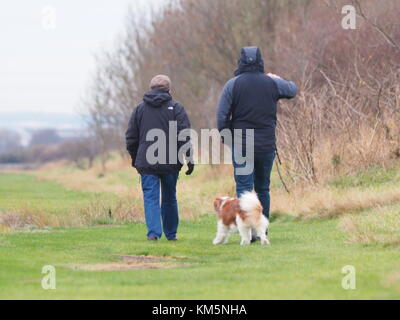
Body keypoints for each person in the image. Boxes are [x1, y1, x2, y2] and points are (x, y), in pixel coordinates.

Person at [217, 46, 297, 234]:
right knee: (263, 188)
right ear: (261, 61)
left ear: (241, 61)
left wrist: (230, 139)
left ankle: (248, 232)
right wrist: (277, 78)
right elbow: (292, 89)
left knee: (244, 189)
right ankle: (262, 231)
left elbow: (221, 119)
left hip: (242, 144)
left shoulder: (233, 84)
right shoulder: (272, 83)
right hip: (266, 145)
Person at [126, 75, 194, 241]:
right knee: (170, 198)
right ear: (169, 90)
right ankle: (171, 235)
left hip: (147, 163)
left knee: (150, 198)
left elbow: (131, 138)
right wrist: (189, 159)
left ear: (151, 89)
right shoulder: (176, 108)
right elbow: (184, 136)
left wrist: (135, 158)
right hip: (171, 162)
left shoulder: (139, 109)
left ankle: (153, 234)